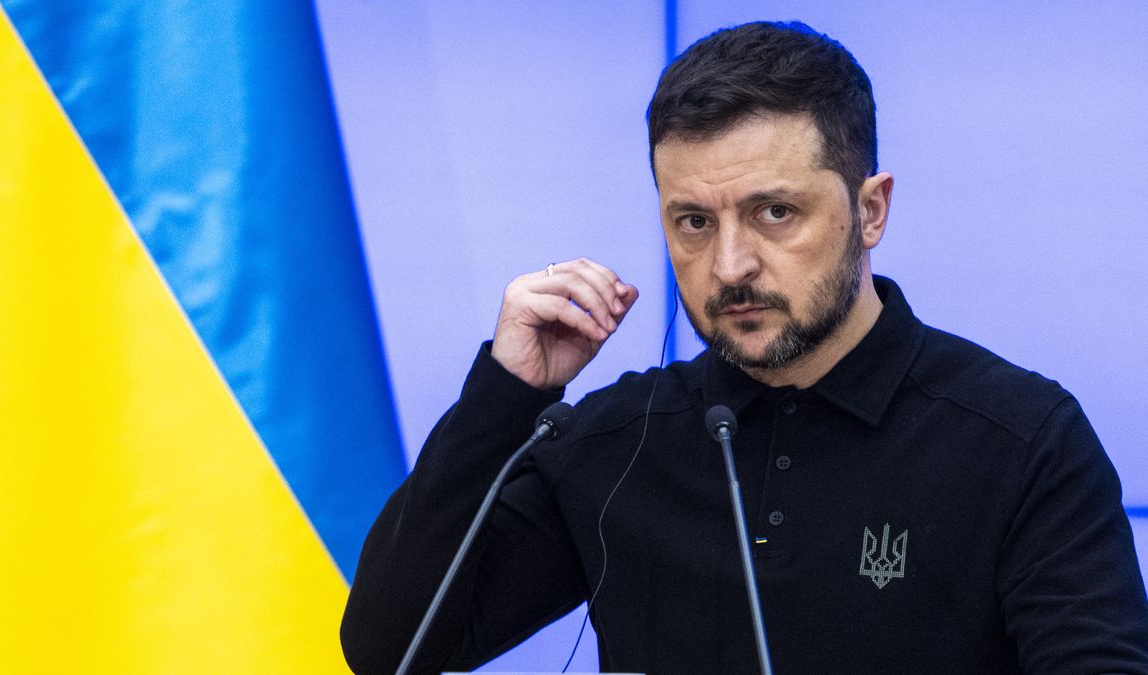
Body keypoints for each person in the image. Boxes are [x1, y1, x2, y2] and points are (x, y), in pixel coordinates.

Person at [341, 21, 1148, 673]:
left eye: (774, 213)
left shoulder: (1019, 437)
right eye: (693, 221)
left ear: (871, 210)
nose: (729, 266)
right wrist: (508, 393)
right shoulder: (616, 443)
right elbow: (389, 646)